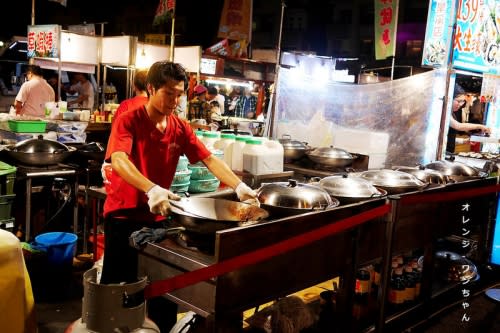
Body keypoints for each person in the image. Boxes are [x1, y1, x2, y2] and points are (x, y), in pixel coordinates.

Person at [101, 61, 258, 332]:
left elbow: (208, 159)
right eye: (168, 93)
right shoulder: (129, 119)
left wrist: (239, 186)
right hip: (124, 214)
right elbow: (118, 160)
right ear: (151, 89)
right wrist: (151, 188)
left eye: (179, 94)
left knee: (164, 292)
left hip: (160, 215)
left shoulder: (179, 127)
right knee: (119, 293)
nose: (175, 101)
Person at [446, 85, 491, 153]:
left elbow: (447, 138)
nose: (461, 104)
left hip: (449, 153)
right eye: (458, 101)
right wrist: (480, 126)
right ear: (449, 98)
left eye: (462, 101)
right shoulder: (444, 113)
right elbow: (458, 126)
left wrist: (463, 141)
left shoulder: (452, 113)